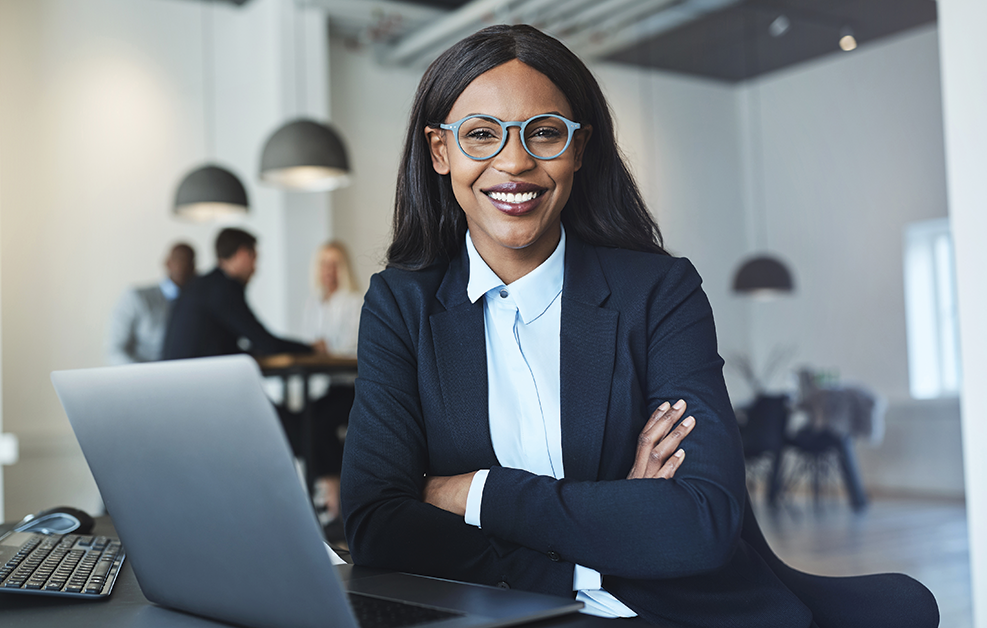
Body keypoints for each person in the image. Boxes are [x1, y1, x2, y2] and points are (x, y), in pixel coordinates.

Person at [340, 24, 936, 628]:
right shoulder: (402, 306)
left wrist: (474, 493)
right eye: (480, 135)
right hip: (506, 614)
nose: (515, 162)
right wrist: (610, 529)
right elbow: (377, 527)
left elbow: (698, 522)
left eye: (545, 133)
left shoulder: (660, 293)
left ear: (579, 149)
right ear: (440, 151)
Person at [161, 227, 311, 360]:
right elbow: (267, 343)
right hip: (199, 384)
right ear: (242, 254)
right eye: (254, 259)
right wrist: (312, 349)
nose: (255, 269)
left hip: (183, 380)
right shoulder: (223, 289)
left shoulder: (202, 285)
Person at [301, 241, 362, 527]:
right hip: (327, 385)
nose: (329, 270)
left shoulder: (354, 301)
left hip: (352, 387)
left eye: (334, 263)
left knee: (320, 422)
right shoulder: (315, 304)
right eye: (324, 263)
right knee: (305, 420)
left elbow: (355, 348)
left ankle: (334, 494)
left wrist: (327, 349)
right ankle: (325, 490)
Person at [106, 242, 195, 365]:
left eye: (189, 262)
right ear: (167, 263)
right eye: (179, 259)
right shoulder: (136, 298)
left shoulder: (198, 303)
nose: (183, 265)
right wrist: (146, 376)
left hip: (186, 375)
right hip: (142, 376)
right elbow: (115, 351)